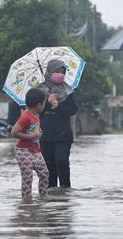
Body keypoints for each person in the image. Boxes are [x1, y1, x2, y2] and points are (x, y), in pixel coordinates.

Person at [36, 60, 78, 188]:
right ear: (49, 72)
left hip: (63, 134)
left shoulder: (68, 91)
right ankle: (51, 195)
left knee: (61, 161)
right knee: (48, 166)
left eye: (62, 72)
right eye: (57, 72)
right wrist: (48, 102)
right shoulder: (39, 90)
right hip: (46, 134)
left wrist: (59, 105)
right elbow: (36, 109)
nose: (59, 74)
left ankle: (65, 191)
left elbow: (72, 109)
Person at [11, 88, 49, 197]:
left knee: (44, 173)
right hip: (22, 151)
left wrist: (38, 133)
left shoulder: (36, 115)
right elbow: (14, 132)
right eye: (44, 103)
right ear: (39, 105)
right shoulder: (25, 116)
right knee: (27, 177)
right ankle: (26, 203)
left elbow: (32, 130)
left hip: (35, 150)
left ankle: (43, 198)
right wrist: (31, 136)